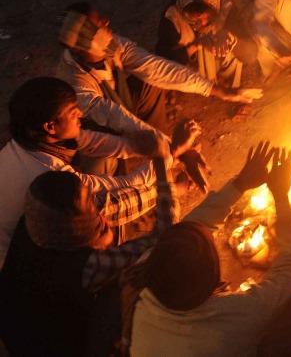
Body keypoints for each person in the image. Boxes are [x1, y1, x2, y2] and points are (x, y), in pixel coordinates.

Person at [130, 142, 291, 356]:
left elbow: (194, 224)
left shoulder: (148, 271)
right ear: (214, 279)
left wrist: (241, 183)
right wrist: (280, 195)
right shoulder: (237, 317)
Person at [0, 77, 196, 268]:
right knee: (104, 217)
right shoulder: (53, 179)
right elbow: (124, 188)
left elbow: (100, 143)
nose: (79, 113)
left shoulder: (25, 141)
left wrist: (167, 148)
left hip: (31, 237)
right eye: (71, 111)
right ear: (50, 126)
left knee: (109, 161)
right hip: (25, 263)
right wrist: (170, 165)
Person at [0, 150, 177, 357]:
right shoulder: (84, 267)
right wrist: (163, 172)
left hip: (15, 331)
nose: (96, 205)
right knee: (132, 283)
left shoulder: (38, 222)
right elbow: (166, 237)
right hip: (55, 346)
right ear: (77, 228)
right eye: (91, 207)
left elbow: (111, 206)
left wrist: (164, 184)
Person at [56, 2, 261, 174]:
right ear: (87, 39)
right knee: (102, 164)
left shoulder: (113, 46)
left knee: (149, 83)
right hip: (97, 131)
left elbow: (158, 69)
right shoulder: (76, 82)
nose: (106, 21)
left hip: (119, 109)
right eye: (98, 22)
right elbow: (114, 117)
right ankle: (148, 168)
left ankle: (162, 156)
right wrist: (173, 146)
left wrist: (219, 90)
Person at [155, 0, 258, 89]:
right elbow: (161, 60)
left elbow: (251, 54)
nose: (203, 23)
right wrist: (195, 45)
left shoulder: (226, 10)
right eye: (195, 19)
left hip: (220, 63)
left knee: (230, 43)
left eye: (208, 18)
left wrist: (233, 40)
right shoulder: (173, 17)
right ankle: (199, 84)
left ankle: (229, 84)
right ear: (185, 11)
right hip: (190, 70)